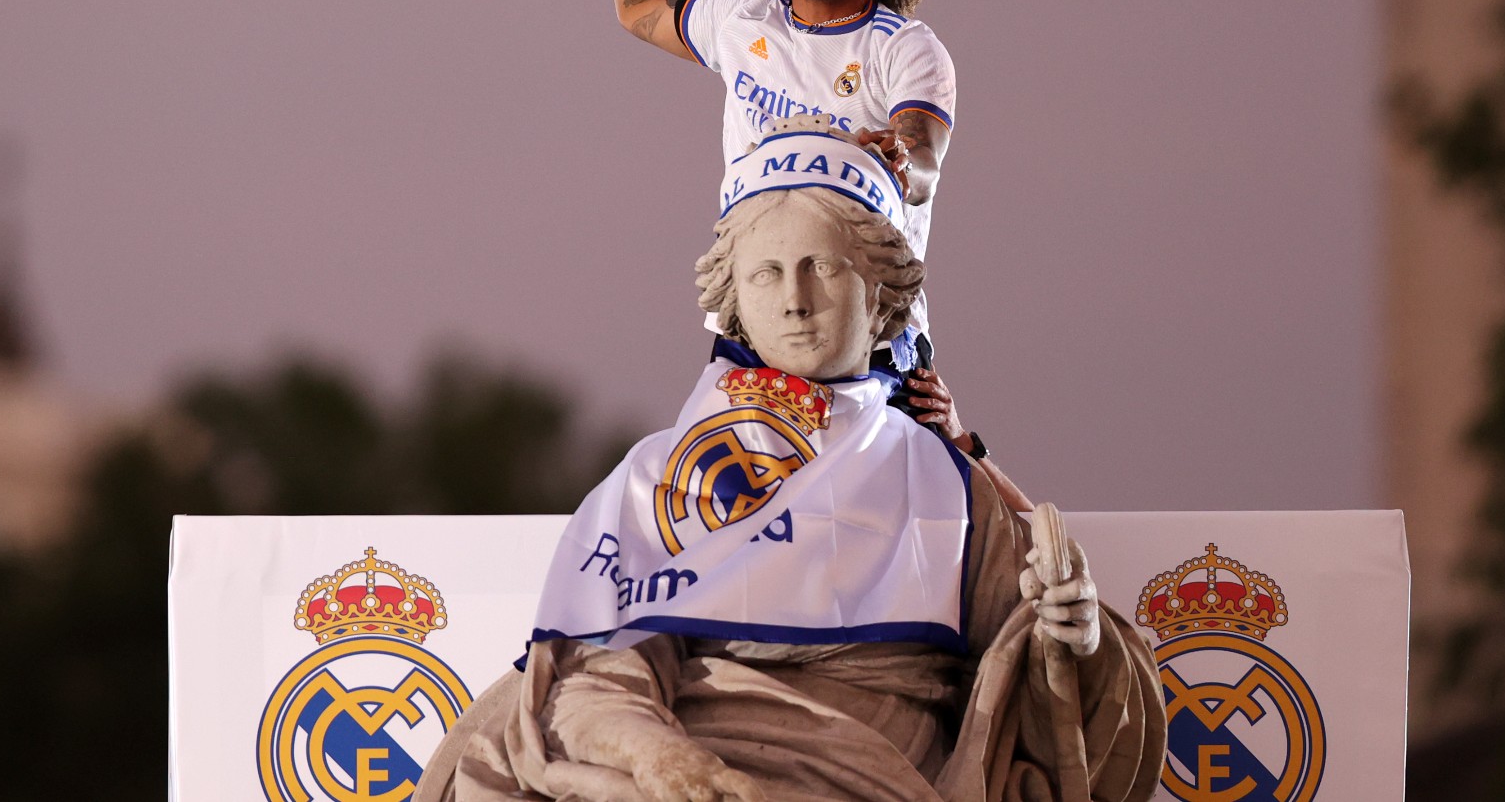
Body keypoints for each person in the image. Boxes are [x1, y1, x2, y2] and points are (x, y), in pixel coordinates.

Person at [415, 130, 1164, 802]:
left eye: (823, 268)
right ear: (733, 302)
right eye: (767, 274)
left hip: (867, 767)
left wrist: (1074, 637)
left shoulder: (947, 487)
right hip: (682, 756)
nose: (796, 300)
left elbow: (1037, 691)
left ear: (882, 301)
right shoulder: (661, 473)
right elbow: (598, 672)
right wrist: (659, 756)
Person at [611, 0, 957, 368]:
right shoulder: (743, 21)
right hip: (753, 326)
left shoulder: (904, 46)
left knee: (916, 461)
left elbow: (922, 165)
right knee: (686, 462)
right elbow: (639, 4)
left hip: (867, 333)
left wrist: (896, 158)